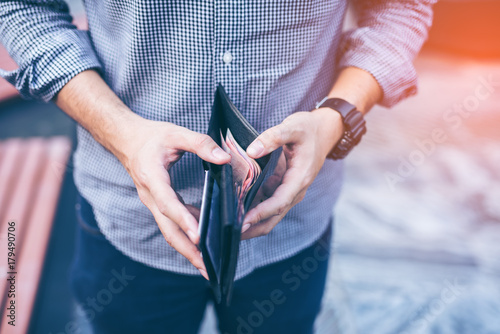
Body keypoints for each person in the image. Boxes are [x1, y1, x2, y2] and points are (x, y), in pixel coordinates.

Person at [0, 0, 435, 333]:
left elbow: (400, 7)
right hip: (128, 219)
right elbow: (24, 8)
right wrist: (122, 135)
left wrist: (337, 115)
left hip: (294, 224)